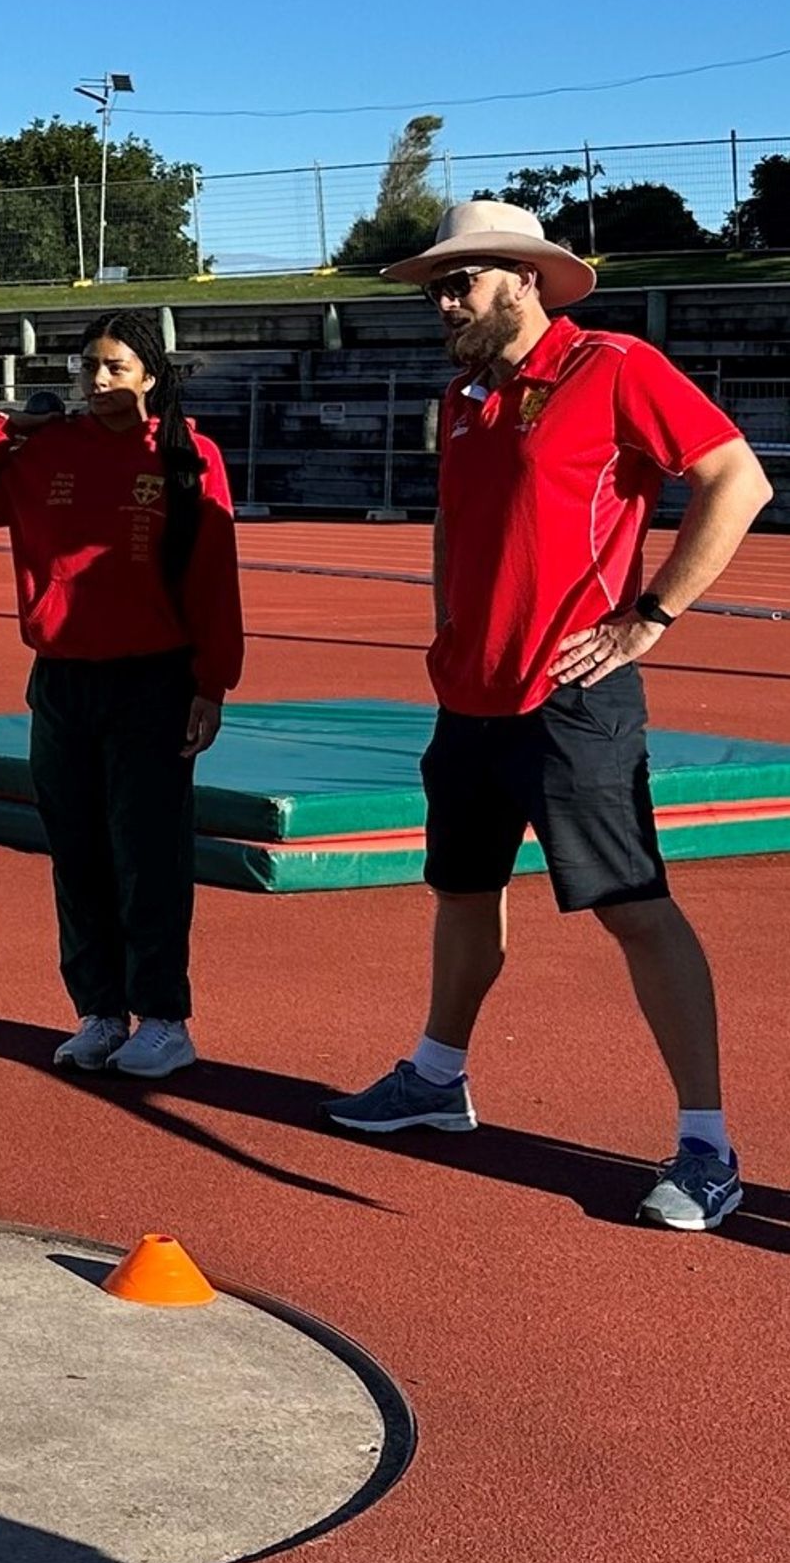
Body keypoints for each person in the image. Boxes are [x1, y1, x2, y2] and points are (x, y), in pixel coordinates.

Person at [323, 202, 775, 1231]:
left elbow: (736, 479)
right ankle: (437, 1076)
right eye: (437, 287)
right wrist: (446, 626)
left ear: (524, 276)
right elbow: (454, 520)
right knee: (462, 891)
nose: (444, 302)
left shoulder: (611, 366)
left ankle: (707, 1146)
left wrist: (648, 616)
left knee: (632, 904)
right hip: (470, 694)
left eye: (462, 282)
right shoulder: (464, 397)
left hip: (571, 695)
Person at [0, 311, 244, 1080]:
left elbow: (214, 575)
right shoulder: (48, 448)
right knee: (76, 851)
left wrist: (212, 683)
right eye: (89, 366)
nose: (99, 380)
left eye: (116, 366)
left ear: (150, 374)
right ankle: (101, 1011)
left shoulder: (186, 456)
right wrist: (2, 430)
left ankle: (164, 1018)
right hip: (61, 680)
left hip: (153, 679)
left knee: (148, 852)